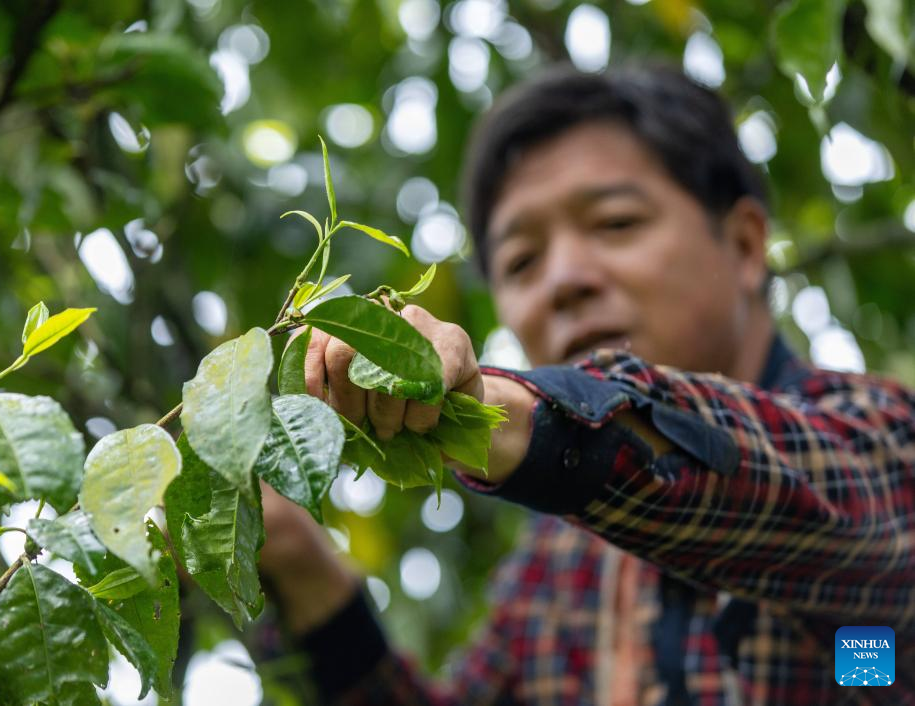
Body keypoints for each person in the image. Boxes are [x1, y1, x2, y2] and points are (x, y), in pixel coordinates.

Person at [256, 63, 915, 706]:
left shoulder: (883, 441)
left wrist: (500, 411)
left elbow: (829, 520)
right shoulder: (554, 573)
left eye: (616, 223)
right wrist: (299, 562)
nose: (564, 280)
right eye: (522, 261)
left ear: (744, 246)